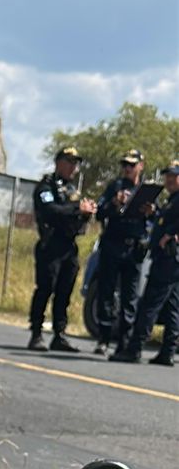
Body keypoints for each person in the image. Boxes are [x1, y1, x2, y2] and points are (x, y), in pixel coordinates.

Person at [28, 147, 96, 352]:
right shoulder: (46, 186)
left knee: (64, 292)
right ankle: (36, 333)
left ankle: (59, 334)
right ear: (58, 162)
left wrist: (86, 213)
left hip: (69, 246)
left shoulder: (73, 190)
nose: (72, 167)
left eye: (75, 163)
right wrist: (77, 210)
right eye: (69, 162)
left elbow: (76, 218)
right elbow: (51, 211)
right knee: (45, 288)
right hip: (51, 245)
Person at [123, 160, 179, 367]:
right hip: (169, 261)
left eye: (174, 176)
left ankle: (134, 348)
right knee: (173, 307)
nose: (170, 180)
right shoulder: (172, 200)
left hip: (168, 260)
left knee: (149, 304)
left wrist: (172, 236)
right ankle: (167, 352)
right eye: (168, 176)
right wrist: (154, 213)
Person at [94, 148, 148, 357]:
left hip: (134, 248)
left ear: (140, 166)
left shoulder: (146, 190)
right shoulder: (114, 187)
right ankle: (104, 338)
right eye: (124, 165)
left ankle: (125, 341)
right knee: (106, 292)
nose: (127, 169)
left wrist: (151, 213)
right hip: (112, 245)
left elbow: (155, 219)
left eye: (131, 165)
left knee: (130, 297)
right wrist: (113, 203)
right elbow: (99, 212)